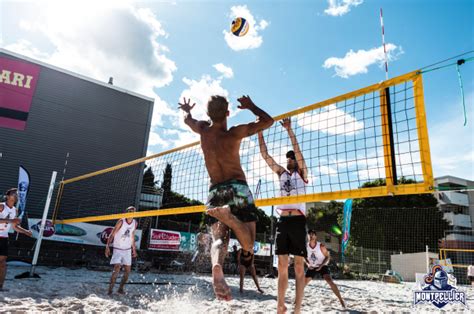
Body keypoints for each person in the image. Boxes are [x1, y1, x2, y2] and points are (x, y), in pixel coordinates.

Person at [180, 95, 273, 300]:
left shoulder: (203, 130)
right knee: (248, 246)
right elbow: (268, 121)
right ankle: (230, 217)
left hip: (215, 192)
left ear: (208, 114)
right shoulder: (234, 133)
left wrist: (187, 110)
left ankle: (216, 265)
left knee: (218, 240)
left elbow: (188, 120)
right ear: (228, 113)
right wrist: (251, 106)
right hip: (237, 188)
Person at [258, 117, 308, 314]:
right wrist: (260, 131)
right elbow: (265, 155)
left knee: (298, 267)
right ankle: (280, 305)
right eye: (288, 158)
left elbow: (299, 152)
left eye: (292, 157)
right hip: (283, 221)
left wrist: (289, 130)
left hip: (297, 220)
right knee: (281, 265)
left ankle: (297, 308)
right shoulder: (282, 174)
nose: (290, 160)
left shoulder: (302, 174)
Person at [0, 188, 33, 291]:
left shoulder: (15, 210)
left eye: (17, 194)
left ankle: (0, 286)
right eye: (14, 193)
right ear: (8, 196)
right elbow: (10, 221)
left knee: (2, 263)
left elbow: (14, 227)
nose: (16, 195)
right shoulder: (1, 206)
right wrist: (11, 220)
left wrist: (25, 231)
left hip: (4, 238)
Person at [304, 230, 345, 308]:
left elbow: (327, 257)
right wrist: (308, 264)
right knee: (303, 284)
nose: (311, 236)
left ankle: (340, 299)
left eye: (313, 235)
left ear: (315, 237)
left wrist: (321, 265)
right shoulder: (306, 246)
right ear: (307, 236)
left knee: (330, 281)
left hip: (322, 266)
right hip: (312, 266)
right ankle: (296, 300)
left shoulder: (320, 246)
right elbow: (304, 257)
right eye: (309, 235)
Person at [105, 206, 138, 295]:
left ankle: (120, 289)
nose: (131, 212)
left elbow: (132, 236)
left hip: (127, 250)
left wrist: (134, 249)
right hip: (118, 249)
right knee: (117, 268)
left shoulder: (134, 223)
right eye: (130, 211)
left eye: (133, 211)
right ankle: (110, 290)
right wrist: (107, 246)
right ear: (126, 212)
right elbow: (112, 234)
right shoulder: (121, 221)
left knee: (127, 271)